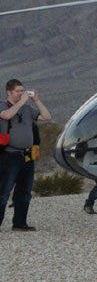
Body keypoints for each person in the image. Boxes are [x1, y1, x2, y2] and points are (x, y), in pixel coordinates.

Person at [0, 79, 52, 231]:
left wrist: (37, 100)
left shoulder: (28, 109)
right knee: (3, 192)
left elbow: (46, 117)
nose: (21, 94)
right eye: (18, 91)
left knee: (24, 191)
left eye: (23, 91)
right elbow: (7, 116)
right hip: (9, 156)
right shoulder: (3, 106)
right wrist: (21, 102)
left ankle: (20, 223)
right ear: (9, 92)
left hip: (27, 156)